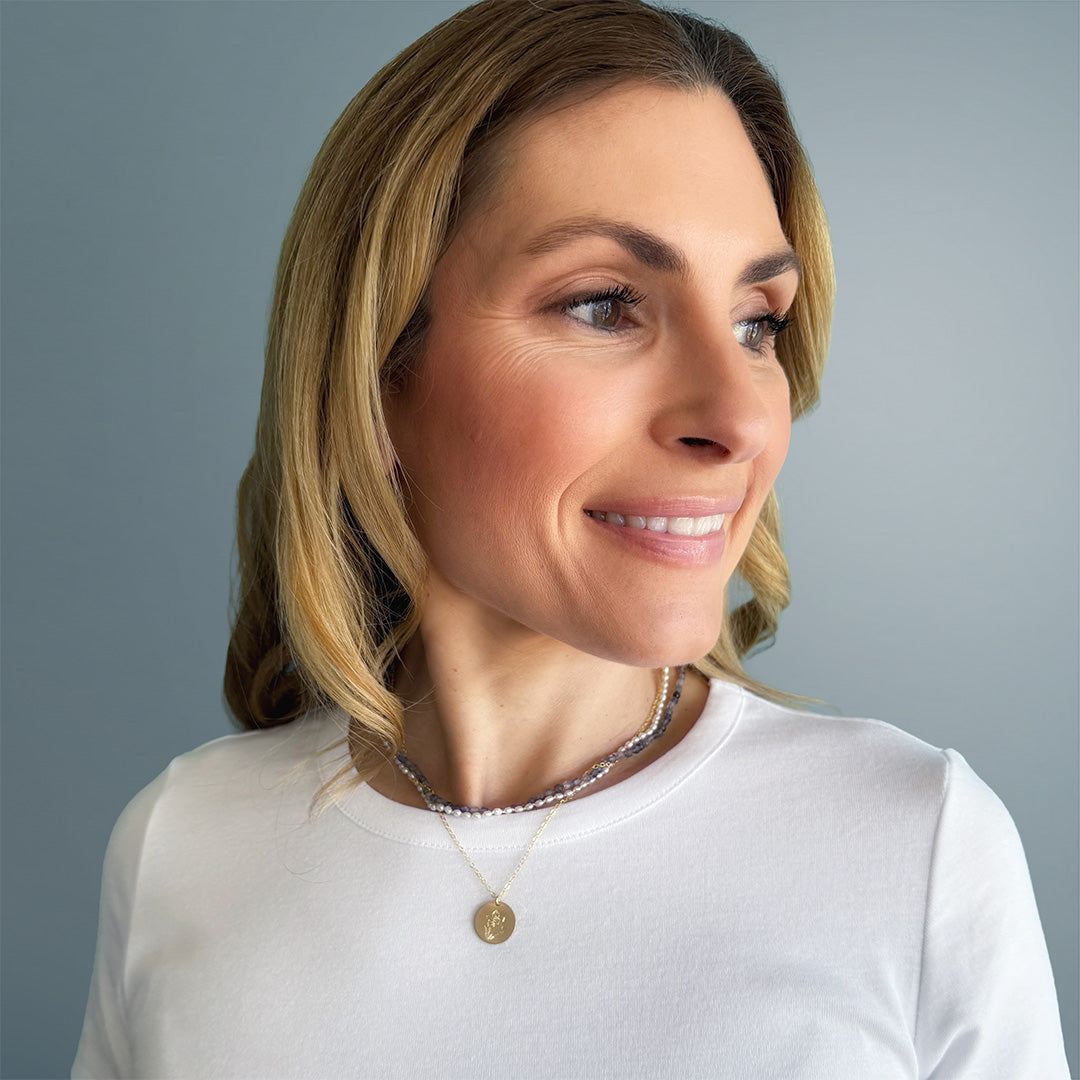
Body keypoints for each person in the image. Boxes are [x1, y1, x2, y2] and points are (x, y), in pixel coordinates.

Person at [71, 1, 1070, 1076]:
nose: (737, 422)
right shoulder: (183, 844)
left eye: (757, 324)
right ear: (377, 374)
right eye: (604, 305)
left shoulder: (915, 847)